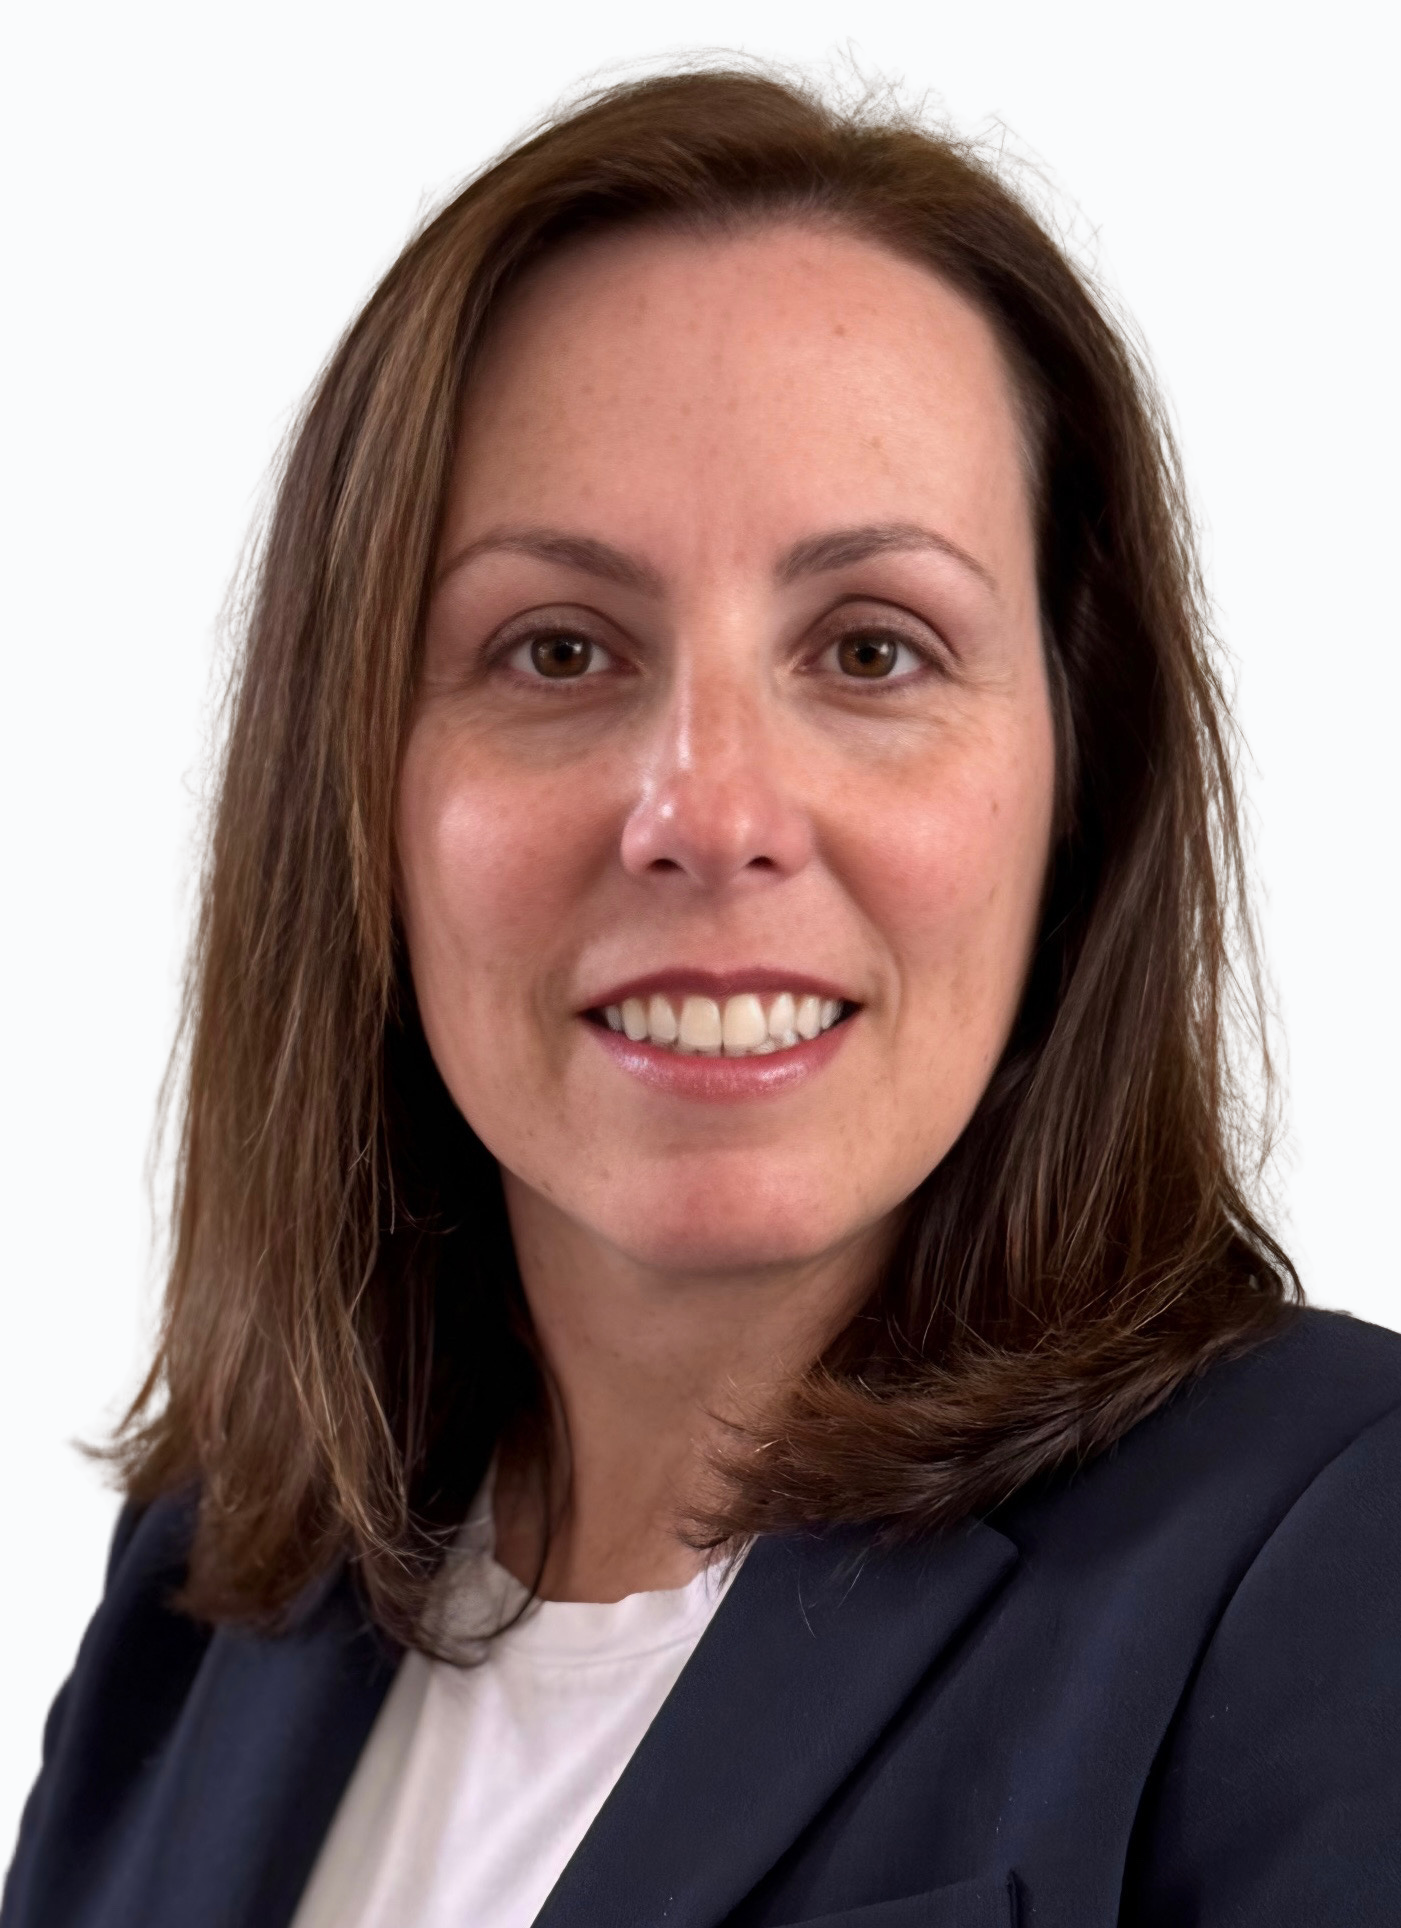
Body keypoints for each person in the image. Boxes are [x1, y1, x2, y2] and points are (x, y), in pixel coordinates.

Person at [4, 65, 1399, 1928]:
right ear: (353, 791)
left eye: (874, 648)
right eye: (558, 649)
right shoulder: (208, 1589)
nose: (713, 816)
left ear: (1082, 779)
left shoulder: (1336, 1550)